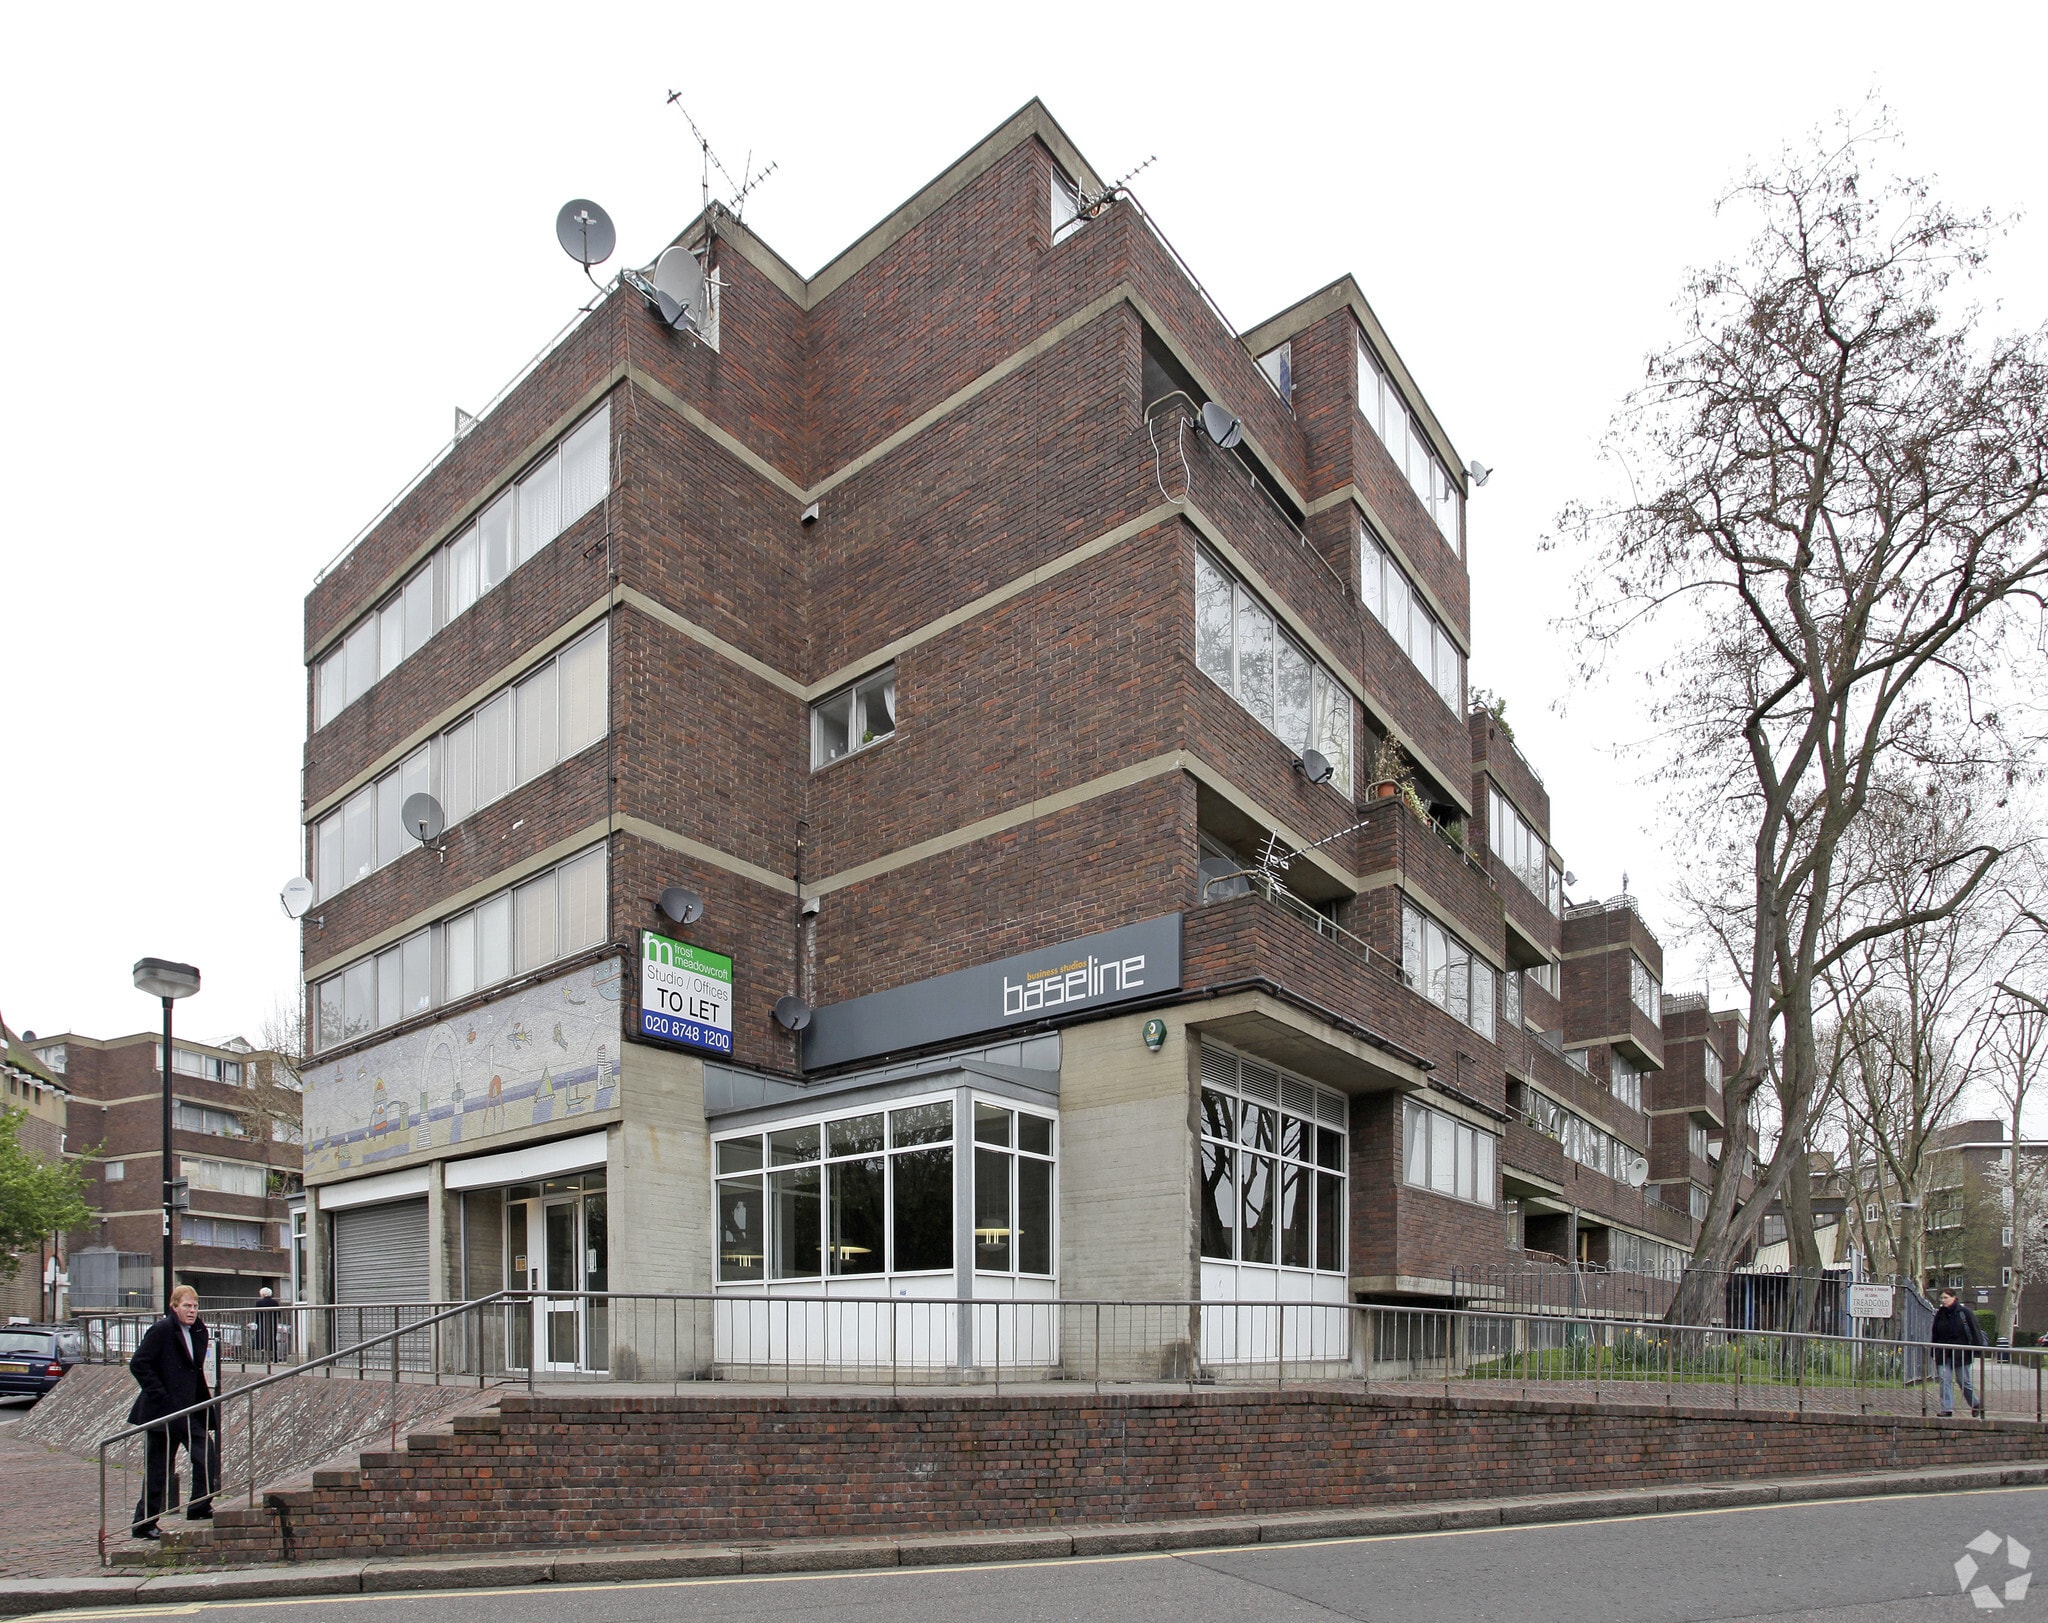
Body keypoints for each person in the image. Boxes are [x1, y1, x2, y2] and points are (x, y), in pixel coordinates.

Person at [128, 1285, 220, 1539]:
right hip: (163, 1412)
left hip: (189, 1409)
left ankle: (199, 1505)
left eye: (195, 1306)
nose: (192, 1311)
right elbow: (139, 1364)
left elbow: (194, 1370)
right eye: (186, 1306)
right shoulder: (161, 1330)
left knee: (206, 1454)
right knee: (158, 1467)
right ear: (174, 1306)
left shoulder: (199, 1331)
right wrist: (161, 1396)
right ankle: (144, 1522)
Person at [1930, 1286, 1988, 1418]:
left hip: (1962, 1354)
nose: (1943, 1300)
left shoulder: (1964, 1312)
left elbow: (1974, 1330)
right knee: (1945, 1380)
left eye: (1946, 1297)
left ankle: (1975, 1403)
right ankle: (1947, 1408)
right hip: (1944, 1353)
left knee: (1964, 1381)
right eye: (1942, 1298)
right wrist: (1933, 1351)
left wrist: (1977, 1350)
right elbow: (1935, 1333)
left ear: (1954, 1298)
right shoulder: (1940, 1314)